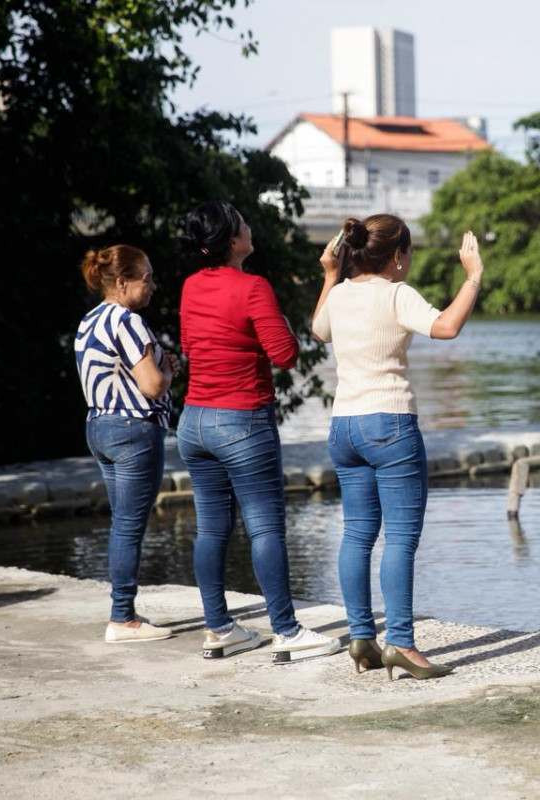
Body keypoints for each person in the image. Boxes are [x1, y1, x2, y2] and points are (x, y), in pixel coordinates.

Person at [311, 215, 484, 681]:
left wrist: (330, 275)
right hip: (389, 424)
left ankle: (361, 637)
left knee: (357, 534)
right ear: (397, 256)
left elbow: (319, 331)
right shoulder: (395, 293)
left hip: (343, 426)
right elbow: (446, 327)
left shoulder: (341, 292)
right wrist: (472, 278)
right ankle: (402, 644)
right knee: (401, 539)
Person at [177, 200, 339, 663]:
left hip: (195, 420)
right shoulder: (252, 287)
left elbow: (191, 345)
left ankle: (219, 628)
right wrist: (280, 319)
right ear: (232, 240)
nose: (250, 227)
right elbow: (286, 354)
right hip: (242, 420)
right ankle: (286, 631)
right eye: (243, 223)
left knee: (211, 528)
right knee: (265, 526)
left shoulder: (190, 287)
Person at [74, 245, 175, 644]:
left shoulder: (89, 320)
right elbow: (151, 385)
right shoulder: (128, 321)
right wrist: (168, 369)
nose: (152, 285)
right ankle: (122, 618)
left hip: (99, 425)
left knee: (122, 523)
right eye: (145, 278)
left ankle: (124, 610)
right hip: (133, 428)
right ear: (121, 282)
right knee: (129, 526)